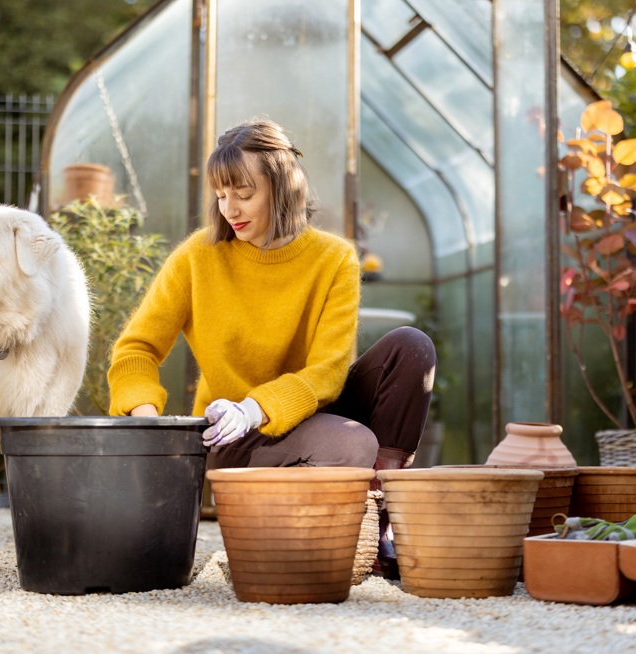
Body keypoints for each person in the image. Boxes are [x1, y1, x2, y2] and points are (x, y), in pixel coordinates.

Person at [107, 118, 436, 577]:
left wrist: (256, 407)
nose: (229, 209)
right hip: (238, 438)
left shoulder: (334, 258)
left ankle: (376, 522)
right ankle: (291, 535)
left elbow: (328, 370)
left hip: (305, 411)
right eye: (221, 195)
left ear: (281, 187)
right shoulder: (198, 256)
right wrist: (148, 422)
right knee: (351, 442)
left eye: (244, 194)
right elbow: (136, 349)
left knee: (411, 348)